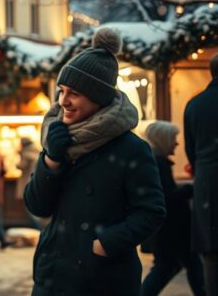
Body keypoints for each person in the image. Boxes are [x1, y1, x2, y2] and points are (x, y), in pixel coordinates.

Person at [25, 28, 165, 295]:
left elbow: (151, 212)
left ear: (98, 97)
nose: (63, 101)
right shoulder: (58, 139)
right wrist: (52, 159)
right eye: (61, 91)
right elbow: (36, 205)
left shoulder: (132, 149)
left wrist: (105, 243)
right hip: (53, 277)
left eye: (74, 93)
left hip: (103, 280)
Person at [184, 51, 218, 296]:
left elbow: (191, 150)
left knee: (212, 254)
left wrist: (202, 168)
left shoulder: (194, 104)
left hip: (206, 183)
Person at [141, 121, 205, 296]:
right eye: (173, 139)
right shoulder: (158, 163)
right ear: (163, 140)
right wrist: (191, 188)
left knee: (181, 265)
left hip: (169, 230)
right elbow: (168, 197)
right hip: (172, 230)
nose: (176, 143)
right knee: (173, 266)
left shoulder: (154, 162)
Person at [16, 137, 42, 230]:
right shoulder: (37, 151)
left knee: (30, 209)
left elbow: (21, 166)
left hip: (27, 183)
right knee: (34, 207)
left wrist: (18, 155)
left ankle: (40, 228)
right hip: (36, 182)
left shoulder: (26, 153)